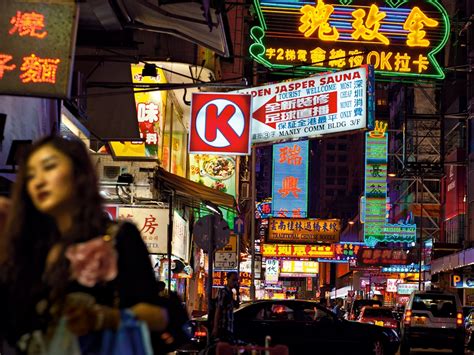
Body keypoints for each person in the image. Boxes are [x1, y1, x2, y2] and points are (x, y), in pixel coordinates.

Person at [0, 136, 169, 354]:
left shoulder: (116, 237)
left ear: (79, 173)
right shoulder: (29, 248)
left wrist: (103, 318)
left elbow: (159, 317)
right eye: (30, 176)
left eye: (49, 167)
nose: (38, 181)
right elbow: (12, 327)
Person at [212, 271, 240, 343]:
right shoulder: (223, 292)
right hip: (223, 327)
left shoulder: (230, 293)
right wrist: (215, 327)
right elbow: (218, 309)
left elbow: (237, 305)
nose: (235, 282)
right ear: (227, 279)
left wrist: (237, 291)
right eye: (233, 280)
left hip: (229, 327)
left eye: (236, 280)